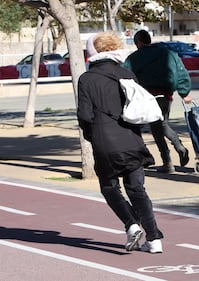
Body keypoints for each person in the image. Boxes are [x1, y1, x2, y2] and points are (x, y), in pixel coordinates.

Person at [77, 32, 164, 254]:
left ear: (93, 52)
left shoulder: (87, 79)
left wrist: (90, 135)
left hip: (104, 141)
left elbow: (85, 116)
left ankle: (131, 224)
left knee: (109, 186)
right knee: (137, 189)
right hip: (132, 140)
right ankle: (154, 240)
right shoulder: (127, 74)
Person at [123, 29, 192, 173]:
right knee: (161, 124)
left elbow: (125, 77)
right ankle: (175, 151)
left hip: (147, 96)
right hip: (166, 96)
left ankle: (169, 159)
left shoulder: (134, 58)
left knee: (157, 127)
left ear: (139, 42)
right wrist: (184, 92)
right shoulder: (169, 54)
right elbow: (181, 73)